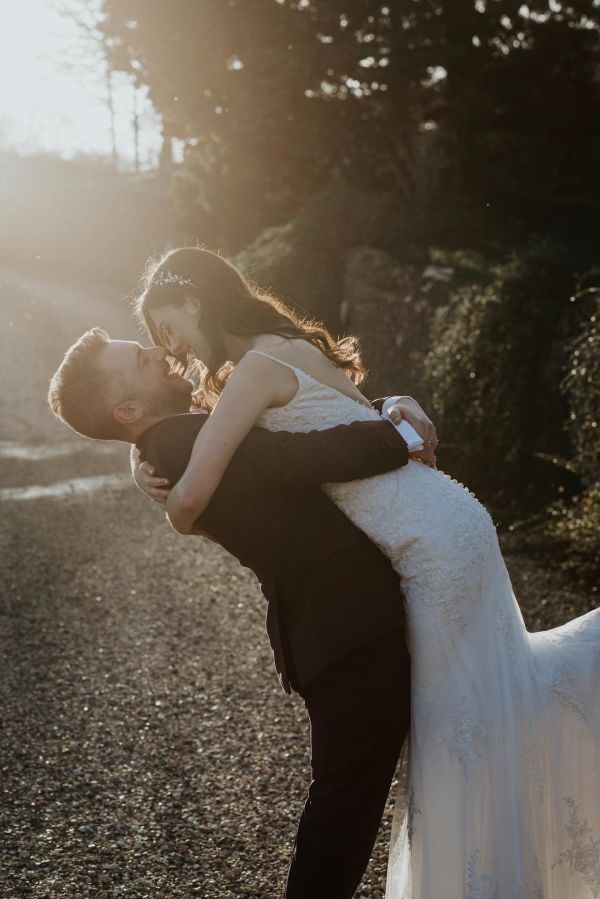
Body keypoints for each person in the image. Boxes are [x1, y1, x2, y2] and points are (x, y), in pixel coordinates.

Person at [133, 245, 600, 899]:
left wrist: (146, 474)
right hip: (452, 522)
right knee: (487, 713)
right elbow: (355, 421)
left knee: (455, 741)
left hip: (431, 549)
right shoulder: (289, 346)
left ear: (195, 301)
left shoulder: (254, 371)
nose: (169, 343)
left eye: (167, 324)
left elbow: (192, 497)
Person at [47, 326, 436, 898]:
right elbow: (299, 456)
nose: (157, 352)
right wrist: (399, 435)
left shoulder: (171, 443)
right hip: (343, 626)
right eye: (140, 359)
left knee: (346, 805)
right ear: (128, 408)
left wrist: (388, 408)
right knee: (343, 814)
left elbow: (298, 423)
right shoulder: (180, 445)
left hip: (342, 622)